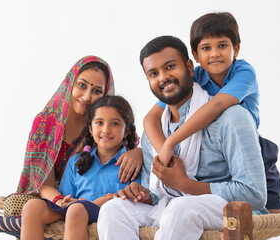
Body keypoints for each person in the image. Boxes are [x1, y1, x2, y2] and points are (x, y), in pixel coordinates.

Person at [97, 36, 267, 240]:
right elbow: (156, 194)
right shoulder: (155, 132)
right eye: (153, 73)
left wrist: (185, 184)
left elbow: (254, 194)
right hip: (170, 207)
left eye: (170, 67)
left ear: (189, 67)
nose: (163, 77)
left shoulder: (231, 118)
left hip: (225, 208)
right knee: (113, 210)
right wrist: (140, 193)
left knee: (182, 207)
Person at [142, 12, 280, 212]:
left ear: (236, 49)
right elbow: (150, 118)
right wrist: (164, 151)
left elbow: (216, 106)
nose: (215, 53)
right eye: (206, 48)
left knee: (272, 220)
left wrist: (171, 142)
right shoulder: (195, 75)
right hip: (219, 148)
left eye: (222, 46)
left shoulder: (244, 72)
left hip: (255, 147)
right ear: (196, 56)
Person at [8, 56, 143, 215]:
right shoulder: (45, 123)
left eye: (96, 91)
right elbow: (43, 184)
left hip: (89, 195)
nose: (86, 97)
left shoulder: (100, 126)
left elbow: (124, 148)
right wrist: (61, 201)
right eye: (81, 85)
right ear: (70, 83)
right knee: (16, 206)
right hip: (49, 195)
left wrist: (140, 152)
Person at [20, 95, 141, 240]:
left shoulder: (132, 163)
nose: (106, 129)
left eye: (114, 124)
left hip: (107, 212)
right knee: (32, 207)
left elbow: (135, 202)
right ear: (90, 129)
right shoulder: (76, 162)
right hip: (75, 210)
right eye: (99, 123)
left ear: (126, 130)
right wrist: (65, 200)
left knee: (76, 209)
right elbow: (67, 199)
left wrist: (88, 205)